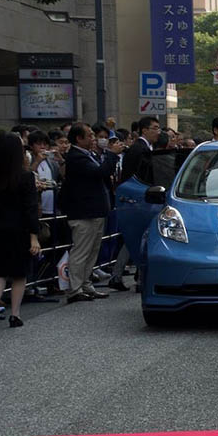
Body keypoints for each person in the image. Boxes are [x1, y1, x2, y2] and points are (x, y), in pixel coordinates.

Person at [0, 134, 41, 328]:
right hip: (19, 228)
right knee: (18, 273)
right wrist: (34, 236)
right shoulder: (25, 176)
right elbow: (30, 208)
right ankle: (15, 314)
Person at [61, 123, 124, 302]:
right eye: (89, 135)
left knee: (92, 251)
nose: (93, 139)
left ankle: (86, 284)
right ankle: (74, 289)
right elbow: (100, 172)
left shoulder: (89, 155)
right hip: (83, 212)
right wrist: (112, 155)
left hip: (96, 211)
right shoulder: (75, 157)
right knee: (81, 251)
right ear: (78, 138)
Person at [120, 116, 159, 184]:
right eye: (155, 129)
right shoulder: (138, 148)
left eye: (158, 129)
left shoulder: (146, 147)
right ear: (144, 130)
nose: (158, 132)